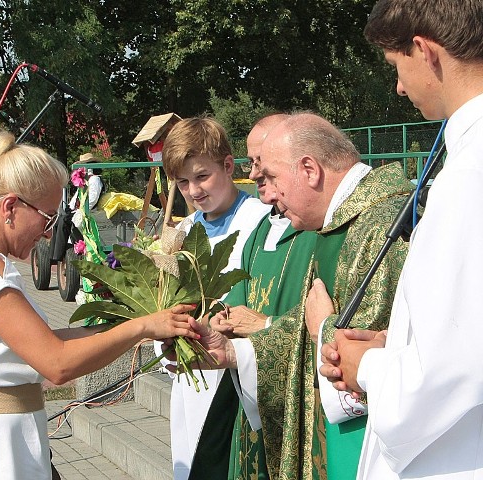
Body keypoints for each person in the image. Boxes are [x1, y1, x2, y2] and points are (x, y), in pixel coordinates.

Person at [0, 130, 198, 480]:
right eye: (49, 218)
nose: (48, 233)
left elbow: (45, 342)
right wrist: (143, 327)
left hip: (2, 438)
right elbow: (57, 363)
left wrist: (126, 322)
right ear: (10, 207)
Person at [188, 112, 411, 480]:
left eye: (272, 177)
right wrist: (235, 352)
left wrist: (323, 328)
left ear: (310, 169)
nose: (269, 193)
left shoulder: (380, 228)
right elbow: (304, 326)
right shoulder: (336, 224)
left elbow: (365, 360)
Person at [317, 1, 483, 478]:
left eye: (397, 66)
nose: (398, 86)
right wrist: (401, 344)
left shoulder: (468, 177)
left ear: (426, 52)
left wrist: (366, 365)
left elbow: (448, 378)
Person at [185, 114, 318, 480]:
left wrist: (265, 326)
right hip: (245, 384)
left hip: (294, 394)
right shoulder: (261, 232)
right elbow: (232, 309)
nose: (256, 173)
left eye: (263, 164)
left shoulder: (313, 229)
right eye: (253, 162)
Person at [158, 116, 273, 480]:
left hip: (236, 376)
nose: (193, 191)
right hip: (193, 376)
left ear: (228, 166)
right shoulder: (186, 230)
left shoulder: (262, 221)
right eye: (183, 182)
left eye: (202, 176)